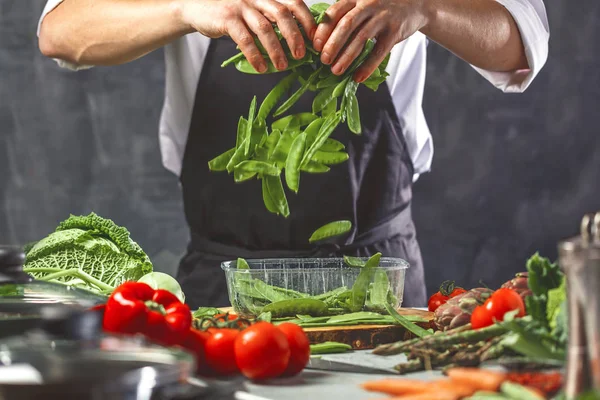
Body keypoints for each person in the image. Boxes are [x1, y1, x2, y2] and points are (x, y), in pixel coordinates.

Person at [37, 0, 549, 309]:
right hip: (226, 288)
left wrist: (425, 7)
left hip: (375, 288)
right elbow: (60, 31)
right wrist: (184, 9)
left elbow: (522, 43)